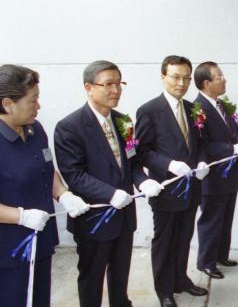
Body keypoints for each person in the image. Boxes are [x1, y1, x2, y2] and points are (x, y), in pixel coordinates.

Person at [54, 60, 163, 307]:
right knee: (92, 278)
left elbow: (132, 163)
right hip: (95, 219)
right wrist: (110, 193)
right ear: (89, 87)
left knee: (120, 274)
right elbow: (74, 174)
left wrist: (143, 182)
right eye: (108, 84)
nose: (116, 90)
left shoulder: (123, 121)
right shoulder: (70, 127)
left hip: (124, 217)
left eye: (119, 83)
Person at [0, 64, 89, 307]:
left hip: (40, 238)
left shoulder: (34, 129)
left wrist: (63, 194)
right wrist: (20, 216)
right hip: (8, 247)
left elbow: (46, 168)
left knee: (39, 299)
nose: (38, 107)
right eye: (33, 100)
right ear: (8, 104)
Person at [135, 55, 209, 307]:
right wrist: (169, 164)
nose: (181, 83)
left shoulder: (192, 108)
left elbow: (199, 143)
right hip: (166, 189)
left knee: (184, 237)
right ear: (163, 76)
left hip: (192, 189)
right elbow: (142, 150)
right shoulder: (149, 110)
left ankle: (181, 279)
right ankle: (164, 289)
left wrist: (200, 161)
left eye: (186, 78)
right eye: (176, 77)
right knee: (164, 241)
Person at [193, 61, 238, 279]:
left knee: (225, 217)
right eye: (219, 76)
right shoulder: (198, 109)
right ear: (206, 83)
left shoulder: (222, 105)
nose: (224, 79)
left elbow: (232, 130)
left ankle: (220, 254)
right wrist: (232, 148)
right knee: (211, 220)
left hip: (230, 176)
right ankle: (206, 262)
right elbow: (202, 145)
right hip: (213, 177)